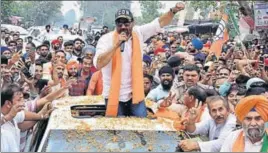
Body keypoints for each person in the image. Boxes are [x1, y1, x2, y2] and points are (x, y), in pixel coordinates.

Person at [94, 3, 185, 117]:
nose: (123, 27)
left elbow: (160, 22)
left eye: (126, 23)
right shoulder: (105, 40)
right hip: (113, 96)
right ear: (115, 24)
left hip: (135, 94)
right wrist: (116, 45)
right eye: (119, 23)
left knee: (141, 128)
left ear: (133, 23)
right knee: (116, 129)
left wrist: (173, 10)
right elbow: (98, 64)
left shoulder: (138, 33)